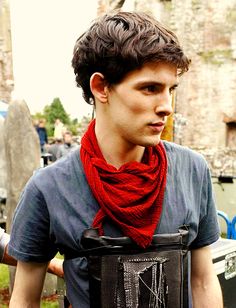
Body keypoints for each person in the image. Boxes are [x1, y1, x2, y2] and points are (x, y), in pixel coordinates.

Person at [8, 11, 222, 308]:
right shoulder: (48, 188)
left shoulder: (192, 170)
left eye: (171, 90)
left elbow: (202, 280)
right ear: (101, 87)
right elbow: (25, 299)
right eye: (150, 88)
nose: (166, 107)